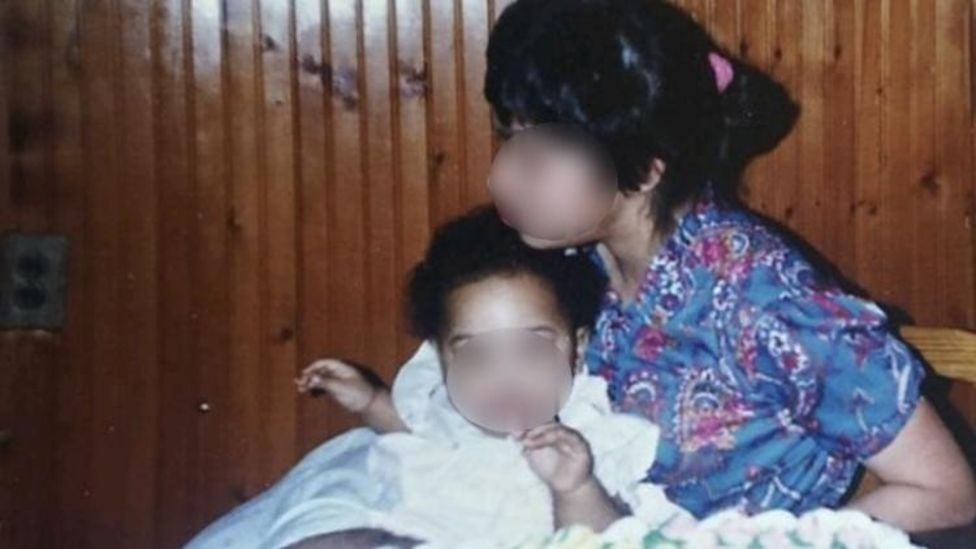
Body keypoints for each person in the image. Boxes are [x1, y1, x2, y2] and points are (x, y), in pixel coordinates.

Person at [475, 0, 976, 531]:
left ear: (644, 169)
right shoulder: (576, 260)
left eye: (536, 159)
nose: (498, 179)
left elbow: (947, 492)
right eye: (508, 140)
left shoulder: (768, 303)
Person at [294, 206, 686, 547]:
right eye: (477, 355)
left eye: (532, 349)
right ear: (441, 358)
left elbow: (608, 539)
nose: (505, 379)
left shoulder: (591, 435)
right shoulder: (451, 412)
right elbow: (411, 431)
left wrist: (575, 487)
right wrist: (369, 400)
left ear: (577, 347)